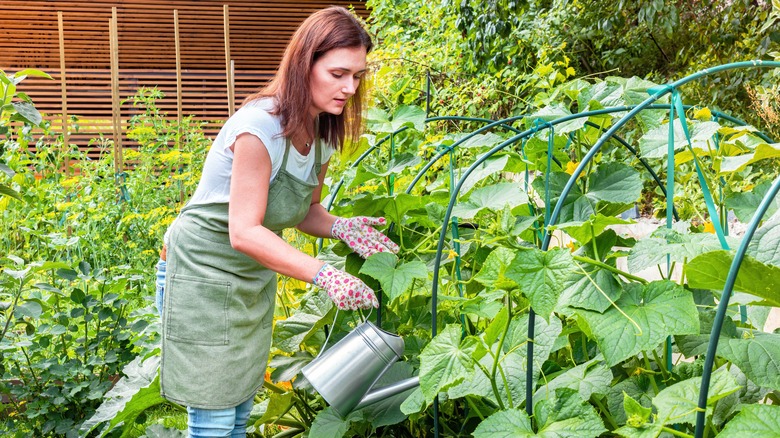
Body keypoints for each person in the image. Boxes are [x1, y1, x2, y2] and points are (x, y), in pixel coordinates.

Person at [154, 7, 399, 437]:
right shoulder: (259, 127)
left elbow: (303, 211)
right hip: (202, 275)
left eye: (357, 76)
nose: (349, 87)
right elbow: (244, 230)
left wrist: (343, 226)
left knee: (238, 417)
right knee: (213, 420)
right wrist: (325, 275)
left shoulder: (322, 130)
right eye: (339, 73)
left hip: (249, 279)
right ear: (305, 64)